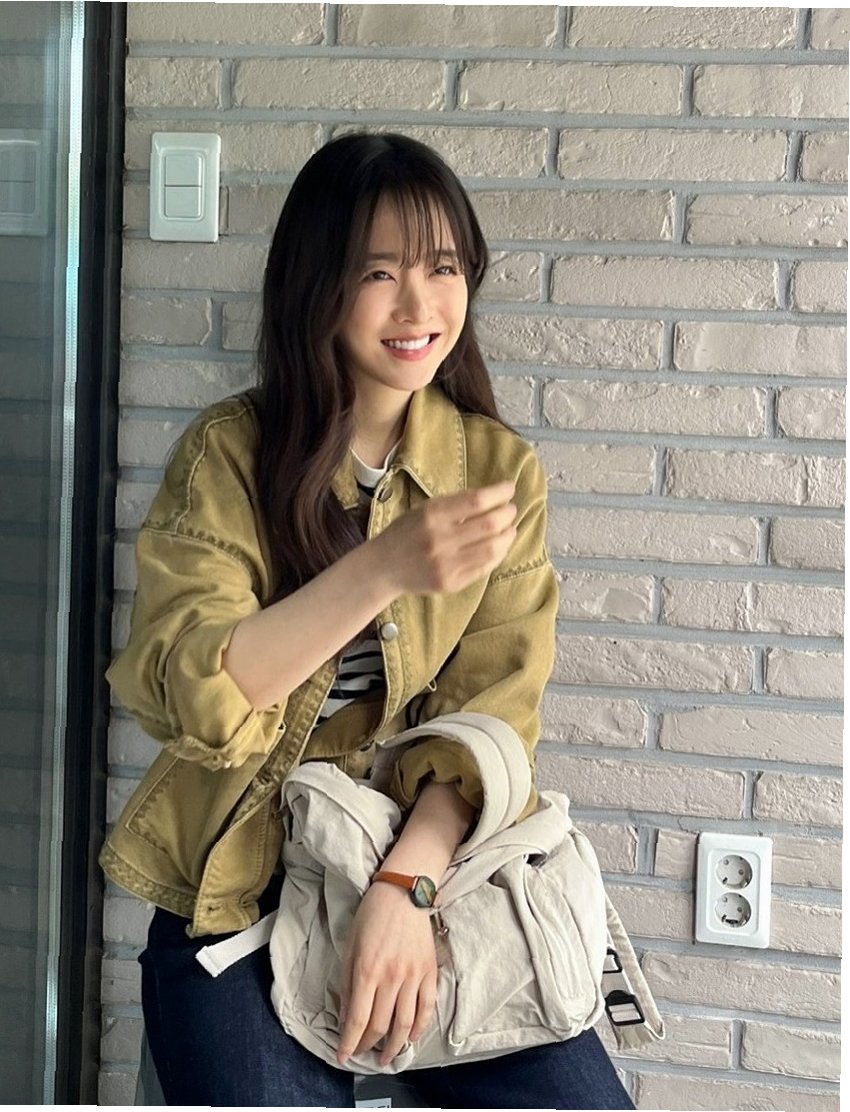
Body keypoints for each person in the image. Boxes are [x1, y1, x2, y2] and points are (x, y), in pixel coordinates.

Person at [100, 132, 635, 1109]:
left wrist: (405, 888)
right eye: (378, 272)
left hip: (429, 870)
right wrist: (383, 568)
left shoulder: (498, 471)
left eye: (443, 268)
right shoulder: (228, 457)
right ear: (317, 285)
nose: (418, 306)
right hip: (242, 887)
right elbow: (197, 694)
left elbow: (493, 714)